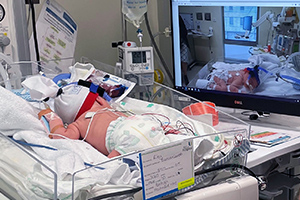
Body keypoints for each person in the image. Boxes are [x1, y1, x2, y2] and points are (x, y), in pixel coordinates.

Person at [38, 82, 171, 158]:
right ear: (99, 100)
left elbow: (62, 136)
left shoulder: (78, 124)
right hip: (145, 125)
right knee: (165, 144)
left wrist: (52, 118)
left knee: (110, 168)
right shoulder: (109, 110)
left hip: (126, 138)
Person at [179, 15, 190, 85]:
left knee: (184, 60)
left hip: (182, 42)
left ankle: (185, 76)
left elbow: (184, 31)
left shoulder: (179, 18)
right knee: (182, 60)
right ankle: (182, 76)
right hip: (179, 42)